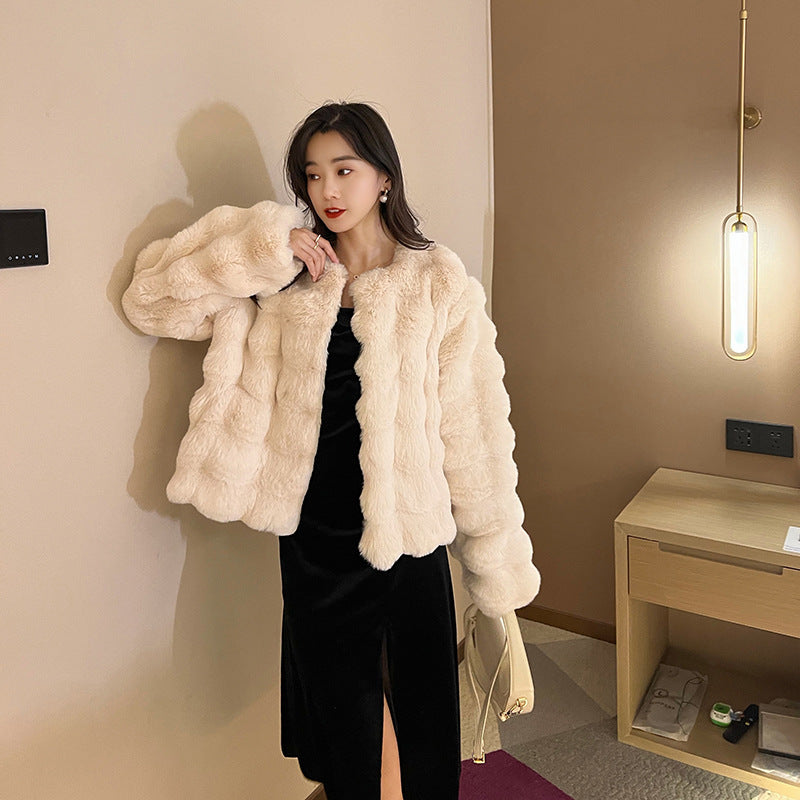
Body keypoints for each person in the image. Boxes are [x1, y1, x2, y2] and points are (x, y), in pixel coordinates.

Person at [122, 101, 541, 800]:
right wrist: (263, 246)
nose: (327, 191)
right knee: (348, 725)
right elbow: (150, 302)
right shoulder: (285, 274)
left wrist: (493, 564)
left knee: (421, 722)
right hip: (318, 540)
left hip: (408, 539)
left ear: (384, 177)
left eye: (344, 170)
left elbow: (474, 430)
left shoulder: (437, 281)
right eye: (313, 175)